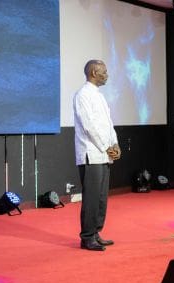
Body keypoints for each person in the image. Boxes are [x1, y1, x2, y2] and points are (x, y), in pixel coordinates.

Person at [73, 59, 121, 251]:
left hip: (103, 153)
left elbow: (108, 123)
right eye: (104, 71)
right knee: (92, 197)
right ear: (94, 72)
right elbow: (88, 126)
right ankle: (86, 237)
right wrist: (105, 146)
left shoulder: (99, 96)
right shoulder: (82, 95)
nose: (107, 75)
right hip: (91, 153)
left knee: (101, 197)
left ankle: (95, 232)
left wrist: (115, 143)